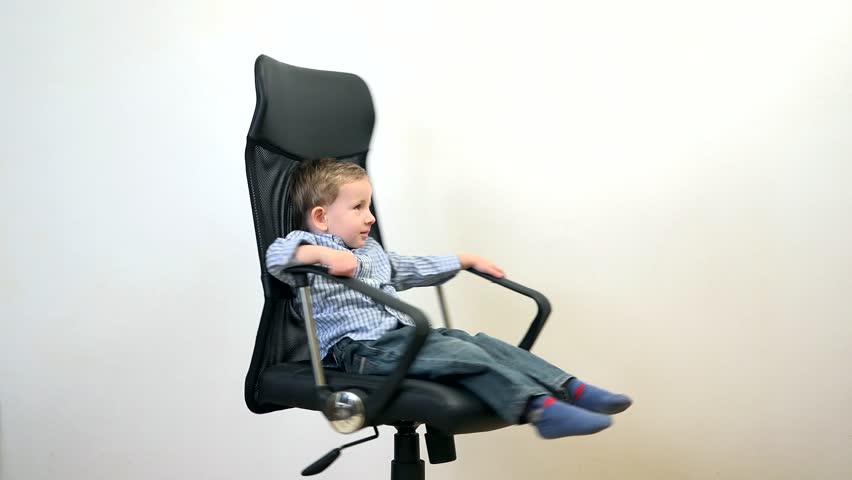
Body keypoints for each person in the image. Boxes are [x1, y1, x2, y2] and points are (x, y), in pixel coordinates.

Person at [266, 158, 632, 439]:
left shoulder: (372, 251)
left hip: (404, 338)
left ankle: (570, 388)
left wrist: (462, 260)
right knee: (463, 355)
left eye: (369, 205)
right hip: (360, 351)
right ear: (321, 217)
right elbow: (276, 258)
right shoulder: (309, 245)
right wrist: (323, 257)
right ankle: (540, 410)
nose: (371, 217)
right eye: (358, 207)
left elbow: (409, 267)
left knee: (480, 343)